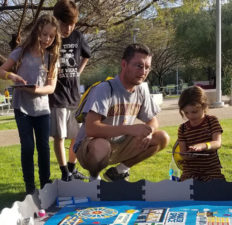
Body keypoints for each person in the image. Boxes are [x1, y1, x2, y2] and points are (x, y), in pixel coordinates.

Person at [73, 43, 170, 181]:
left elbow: (153, 120)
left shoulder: (141, 89)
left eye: (147, 67)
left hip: (118, 145)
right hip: (90, 147)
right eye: (139, 66)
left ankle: (119, 171)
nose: (143, 72)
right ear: (124, 64)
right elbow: (91, 129)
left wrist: (149, 133)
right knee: (102, 145)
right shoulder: (105, 89)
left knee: (161, 137)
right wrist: (129, 129)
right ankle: (94, 179)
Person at [0, 14, 61, 194]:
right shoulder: (20, 52)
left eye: (51, 36)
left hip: (42, 111)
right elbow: (2, 70)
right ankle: (30, 189)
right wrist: (11, 76)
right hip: (22, 108)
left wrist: (35, 90)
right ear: (36, 32)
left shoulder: (52, 57)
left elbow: (51, 87)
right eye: (43, 34)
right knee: (27, 147)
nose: (46, 39)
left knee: (43, 148)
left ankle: (45, 186)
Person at [49, 0, 91, 181]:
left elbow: (86, 56)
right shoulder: (50, 38)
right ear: (56, 20)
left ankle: (73, 168)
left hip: (74, 96)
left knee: (77, 135)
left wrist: (78, 73)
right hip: (56, 96)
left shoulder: (78, 37)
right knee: (60, 136)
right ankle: (64, 171)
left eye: (72, 24)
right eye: (65, 24)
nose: (68, 28)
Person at [177, 86, 224, 182]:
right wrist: (188, 155)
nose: (190, 116)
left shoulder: (212, 121)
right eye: (186, 113)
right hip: (190, 172)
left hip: (211, 170)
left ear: (204, 106)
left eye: (194, 112)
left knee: (217, 191)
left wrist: (203, 146)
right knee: (185, 192)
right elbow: (183, 153)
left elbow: (217, 143)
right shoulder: (182, 129)